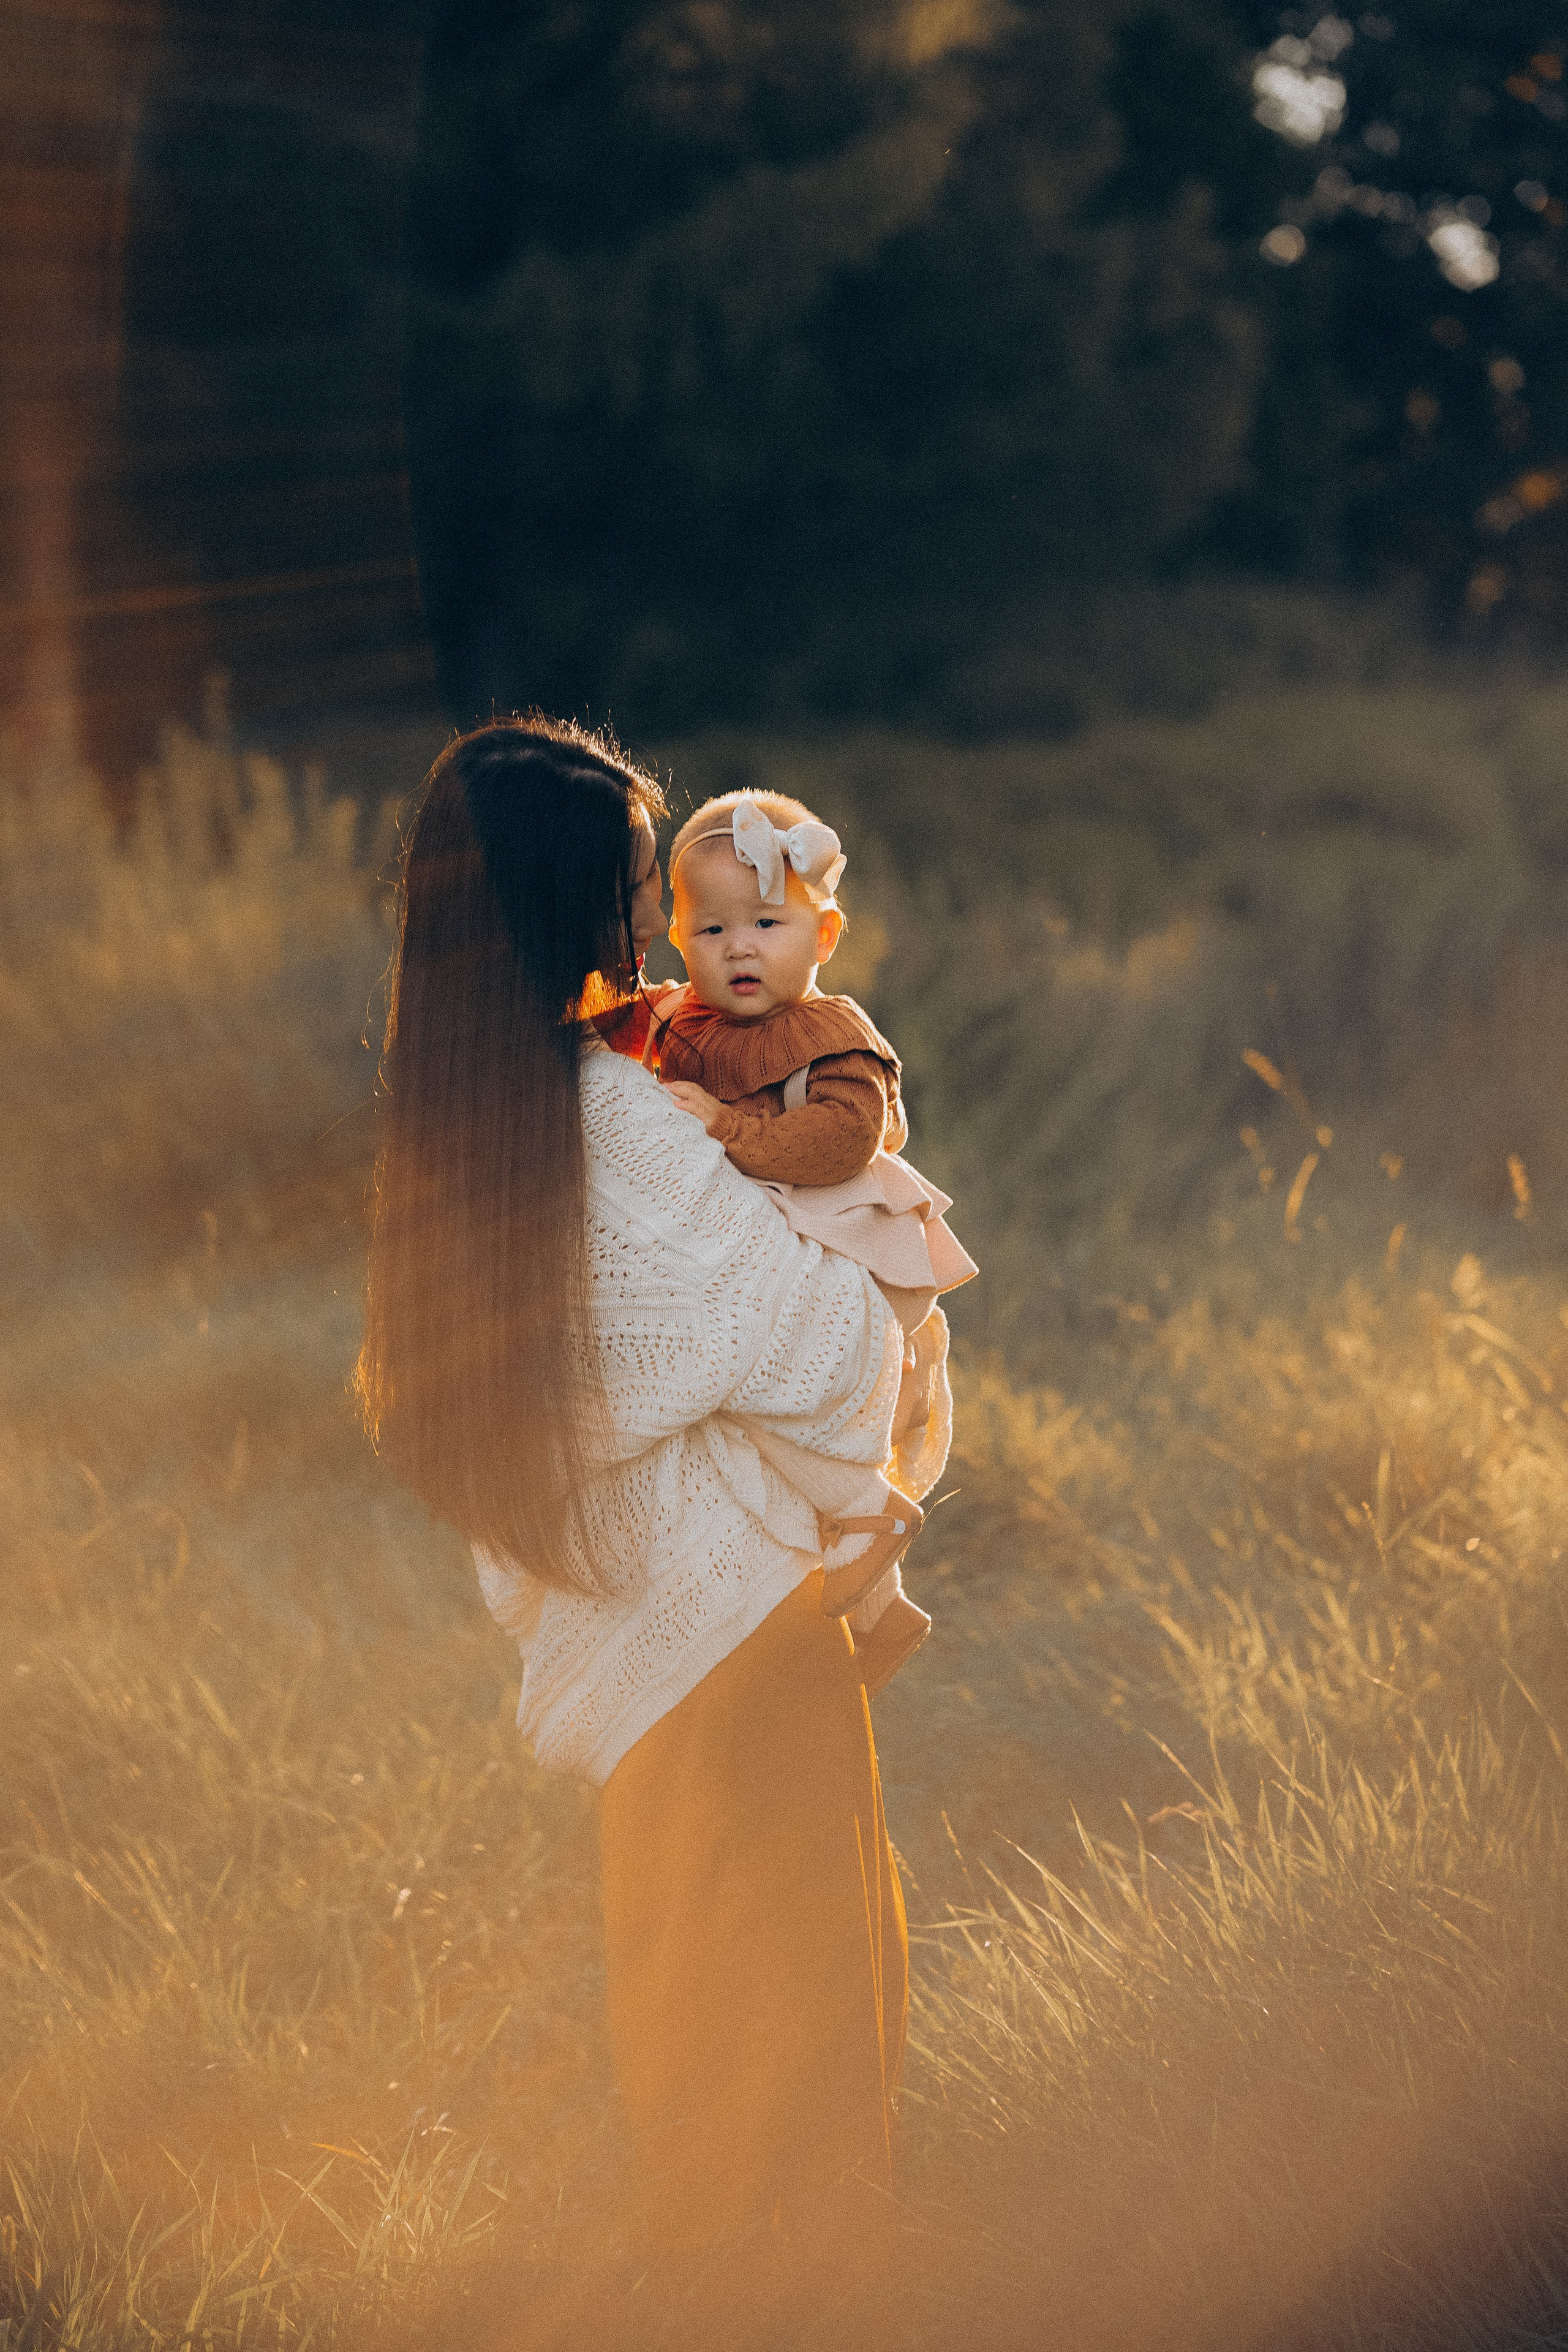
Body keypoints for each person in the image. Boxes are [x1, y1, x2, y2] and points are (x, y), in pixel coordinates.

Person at [355, 715, 909, 2272]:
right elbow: (824, 1348)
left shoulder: (447, 1138)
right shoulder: (620, 1124)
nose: (658, 940)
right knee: (814, 2060)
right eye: (630, 898)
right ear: (567, 914)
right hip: (741, 1637)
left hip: (623, 1657)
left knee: (687, 2043)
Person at [649, 790, 978, 1695]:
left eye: (768, 923)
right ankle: (880, 1611)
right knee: (766, 1418)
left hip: (849, 1249)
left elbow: (843, 1140)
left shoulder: (831, 1037)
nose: (740, 948)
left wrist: (729, 1127)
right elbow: (609, 1038)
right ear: (678, 937)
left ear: (825, 936)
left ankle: (869, 1514)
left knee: (777, 1393)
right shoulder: (682, 1021)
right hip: (775, 1252)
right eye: (712, 929)